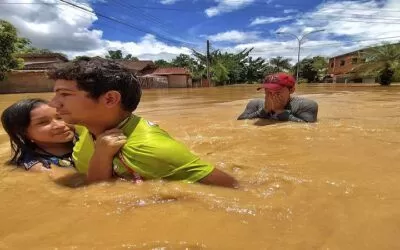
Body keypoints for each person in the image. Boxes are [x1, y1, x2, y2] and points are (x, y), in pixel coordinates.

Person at [48, 57, 238, 188]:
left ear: (109, 99)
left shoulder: (149, 149)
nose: (53, 103)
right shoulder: (83, 126)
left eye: (65, 94)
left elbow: (233, 187)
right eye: (56, 94)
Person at [1, 98, 75, 171]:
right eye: (43, 122)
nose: (60, 125)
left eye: (60, 117)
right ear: (24, 133)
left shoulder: (83, 138)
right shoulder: (39, 166)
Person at [237, 72, 318, 122]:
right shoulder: (255, 104)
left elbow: (307, 129)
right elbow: (240, 122)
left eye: (277, 91)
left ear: (291, 90)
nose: (272, 96)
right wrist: (264, 110)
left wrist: (280, 111)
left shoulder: (306, 105)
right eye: (268, 91)